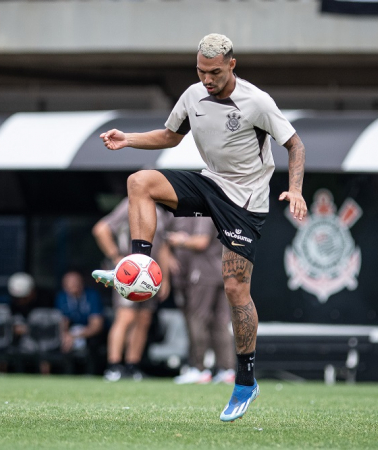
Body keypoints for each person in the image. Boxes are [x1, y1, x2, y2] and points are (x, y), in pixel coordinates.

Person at [94, 33, 307, 421]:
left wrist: (295, 191)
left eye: (213, 72)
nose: (206, 79)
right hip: (211, 183)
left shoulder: (257, 102)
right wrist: (128, 140)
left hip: (245, 202)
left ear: (231, 65)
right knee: (140, 182)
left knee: (234, 288)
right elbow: (172, 137)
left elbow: (295, 144)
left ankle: (244, 381)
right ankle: (141, 266)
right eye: (200, 71)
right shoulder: (193, 95)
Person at [92, 197, 171, 382]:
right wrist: (117, 258)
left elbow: (164, 246)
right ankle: (113, 366)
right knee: (126, 317)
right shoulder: (130, 204)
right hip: (129, 275)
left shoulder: (161, 212)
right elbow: (101, 229)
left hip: (150, 277)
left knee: (144, 319)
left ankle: (132, 366)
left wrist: (165, 279)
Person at [167, 216, 236, 385]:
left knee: (197, 318)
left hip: (203, 274)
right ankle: (227, 370)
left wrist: (179, 240)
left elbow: (201, 242)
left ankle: (199, 369)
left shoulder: (205, 213)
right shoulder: (224, 211)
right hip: (224, 271)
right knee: (221, 323)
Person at [54, 271, 105, 356]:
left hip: (89, 335)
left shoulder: (92, 295)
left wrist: (75, 336)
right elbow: (63, 321)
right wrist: (65, 335)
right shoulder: (62, 297)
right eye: (69, 283)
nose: (74, 285)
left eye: (76, 282)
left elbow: (97, 325)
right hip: (70, 335)